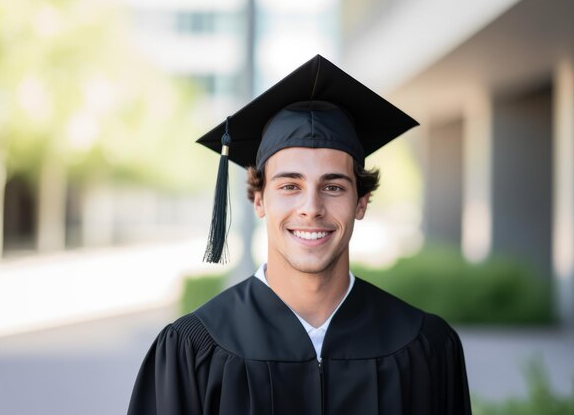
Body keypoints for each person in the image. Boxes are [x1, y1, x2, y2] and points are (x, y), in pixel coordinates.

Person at [127, 55, 472, 415]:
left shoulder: (425, 346)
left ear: (362, 202)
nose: (311, 208)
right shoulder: (194, 349)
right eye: (290, 185)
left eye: (334, 187)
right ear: (259, 200)